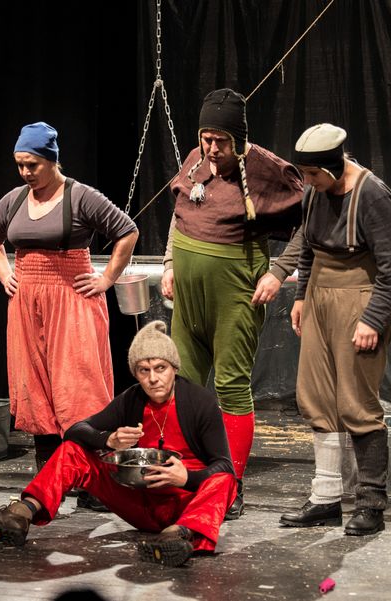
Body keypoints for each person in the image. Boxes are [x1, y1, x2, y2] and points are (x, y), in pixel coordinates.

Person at [0, 321, 237, 567]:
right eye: (144, 371)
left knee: (226, 481)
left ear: (174, 368)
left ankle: (177, 538)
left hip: (184, 506)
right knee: (73, 452)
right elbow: (76, 431)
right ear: (136, 373)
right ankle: (20, 515)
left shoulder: (199, 402)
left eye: (160, 369)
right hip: (139, 502)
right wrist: (108, 439)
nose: (153, 379)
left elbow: (224, 465)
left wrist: (187, 478)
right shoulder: (132, 399)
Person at [160, 89, 305, 518]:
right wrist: (169, 263)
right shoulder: (196, 159)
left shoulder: (266, 169)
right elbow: (179, 213)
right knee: (182, 383)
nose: (212, 148)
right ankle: (188, 476)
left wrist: (278, 271)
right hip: (189, 296)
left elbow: (311, 222)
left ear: (238, 139)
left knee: (230, 384)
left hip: (235, 294)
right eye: (206, 138)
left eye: (221, 141)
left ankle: (229, 483)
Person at [0, 122, 139, 480]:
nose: (25, 172)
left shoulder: (80, 196)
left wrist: (107, 278)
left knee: (79, 386)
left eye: (32, 164)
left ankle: (92, 479)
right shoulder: (15, 199)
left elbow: (127, 231)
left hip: (71, 300)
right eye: (20, 165)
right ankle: (50, 477)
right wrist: (5, 272)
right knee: (35, 387)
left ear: (52, 160)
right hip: (26, 302)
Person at [278, 123, 391, 535]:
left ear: (333, 166)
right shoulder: (315, 191)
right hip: (319, 296)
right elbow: (308, 247)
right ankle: (326, 498)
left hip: (359, 298)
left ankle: (370, 504)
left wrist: (373, 318)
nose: (308, 182)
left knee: (357, 403)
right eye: (305, 174)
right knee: (316, 397)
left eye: (313, 174)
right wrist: (301, 296)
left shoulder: (371, 195)